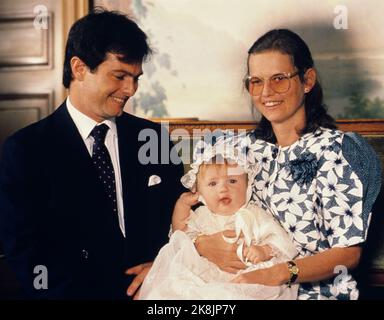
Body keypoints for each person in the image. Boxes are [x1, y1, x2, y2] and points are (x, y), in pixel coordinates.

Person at [0, 9, 184, 299]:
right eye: (120, 76)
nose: (131, 89)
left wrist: (165, 268)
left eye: (136, 78)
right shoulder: (25, 151)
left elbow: (186, 226)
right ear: (79, 68)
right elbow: (26, 254)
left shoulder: (155, 139)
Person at [193, 29, 382, 300]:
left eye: (279, 79)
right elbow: (196, 213)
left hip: (316, 294)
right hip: (241, 290)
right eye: (256, 81)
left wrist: (280, 272)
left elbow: (348, 253)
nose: (266, 92)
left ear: (307, 80)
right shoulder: (237, 151)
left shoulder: (339, 151)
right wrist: (197, 246)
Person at [139, 136, 298, 299]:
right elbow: (180, 235)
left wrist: (264, 250)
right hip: (205, 278)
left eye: (233, 181)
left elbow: (280, 240)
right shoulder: (201, 215)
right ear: (199, 191)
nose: (223, 188)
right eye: (213, 184)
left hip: (245, 278)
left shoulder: (253, 214)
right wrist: (182, 205)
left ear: (247, 186)